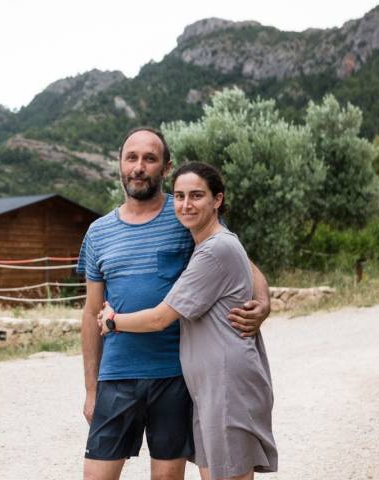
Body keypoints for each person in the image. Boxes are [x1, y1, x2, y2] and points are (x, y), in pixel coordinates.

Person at [78, 126, 271, 480]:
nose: (139, 166)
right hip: (117, 375)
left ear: (165, 167)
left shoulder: (185, 212)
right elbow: (92, 312)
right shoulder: (98, 232)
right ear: (120, 164)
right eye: (131, 157)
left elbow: (239, 257)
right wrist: (91, 389)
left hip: (175, 376)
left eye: (149, 159)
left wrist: (263, 302)